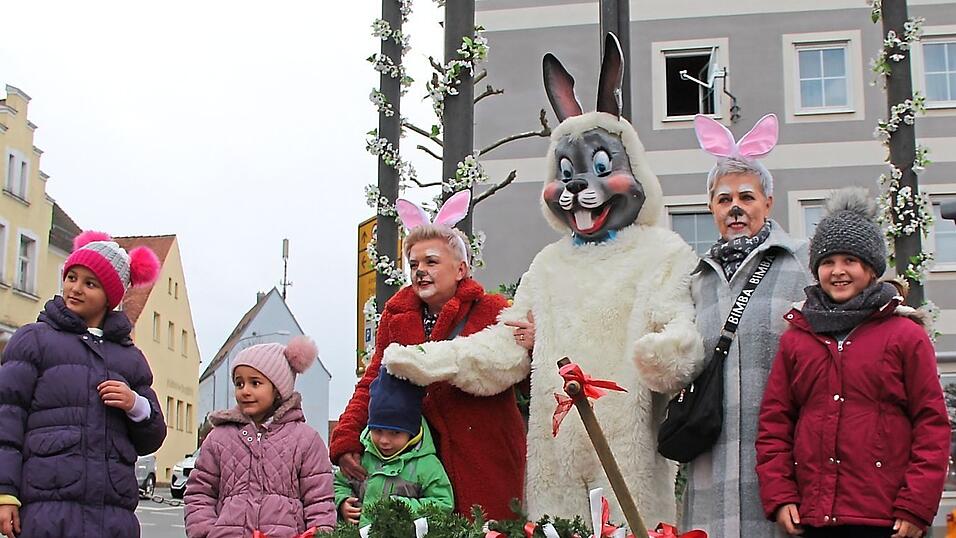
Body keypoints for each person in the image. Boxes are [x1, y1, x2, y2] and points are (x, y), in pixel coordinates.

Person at [757, 187, 950, 538]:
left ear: (871, 268)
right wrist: (781, 495)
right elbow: (775, 423)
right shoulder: (798, 338)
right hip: (813, 518)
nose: (838, 271)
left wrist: (916, 505)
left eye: (850, 261)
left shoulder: (904, 335)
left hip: (886, 519)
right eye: (828, 262)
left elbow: (931, 425)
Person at [330, 191, 528, 521]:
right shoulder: (396, 316)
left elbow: (526, 374)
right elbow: (372, 382)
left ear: (461, 268)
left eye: (431, 262)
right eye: (414, 264)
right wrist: (349, 435)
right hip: (417, 460)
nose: (420, 271)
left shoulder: (493, 310)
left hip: (483, 453)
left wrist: (533, 344)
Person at [681, 114, 813, 537]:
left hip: (781, 462)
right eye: (723, 199)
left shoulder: (804, 263)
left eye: (746, 197)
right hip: (710, 465)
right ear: (711, 208)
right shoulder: (695, 279)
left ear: (768, 203)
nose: (735, 207)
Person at [0, 231, 167, 538]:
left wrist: (135, 405)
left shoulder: (130, 358)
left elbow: (153, 437)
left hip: (111, 517)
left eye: (90, 283)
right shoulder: (34, 340)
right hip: (47, 513)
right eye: (72, 277)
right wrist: (4, 493)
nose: (75, 288)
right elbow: (6, 419)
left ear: (110, 297)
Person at [184, 336, 335, 537]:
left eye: (255, 383)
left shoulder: (305, 440)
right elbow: (200, 492)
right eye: (239, 384)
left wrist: (320, 533)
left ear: (278, 390)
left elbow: (319, 500)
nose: (245, 391)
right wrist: (206, 531)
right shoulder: (219, 438)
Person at [334, 368, 453, 527]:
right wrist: (342, 502)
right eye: (377, 431)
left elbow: (443, 503)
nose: (384, 440)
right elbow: (338, 483)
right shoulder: (362, 456)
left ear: (411, 432)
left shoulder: (427, 465)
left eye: (395, 433)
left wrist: (402, 508)